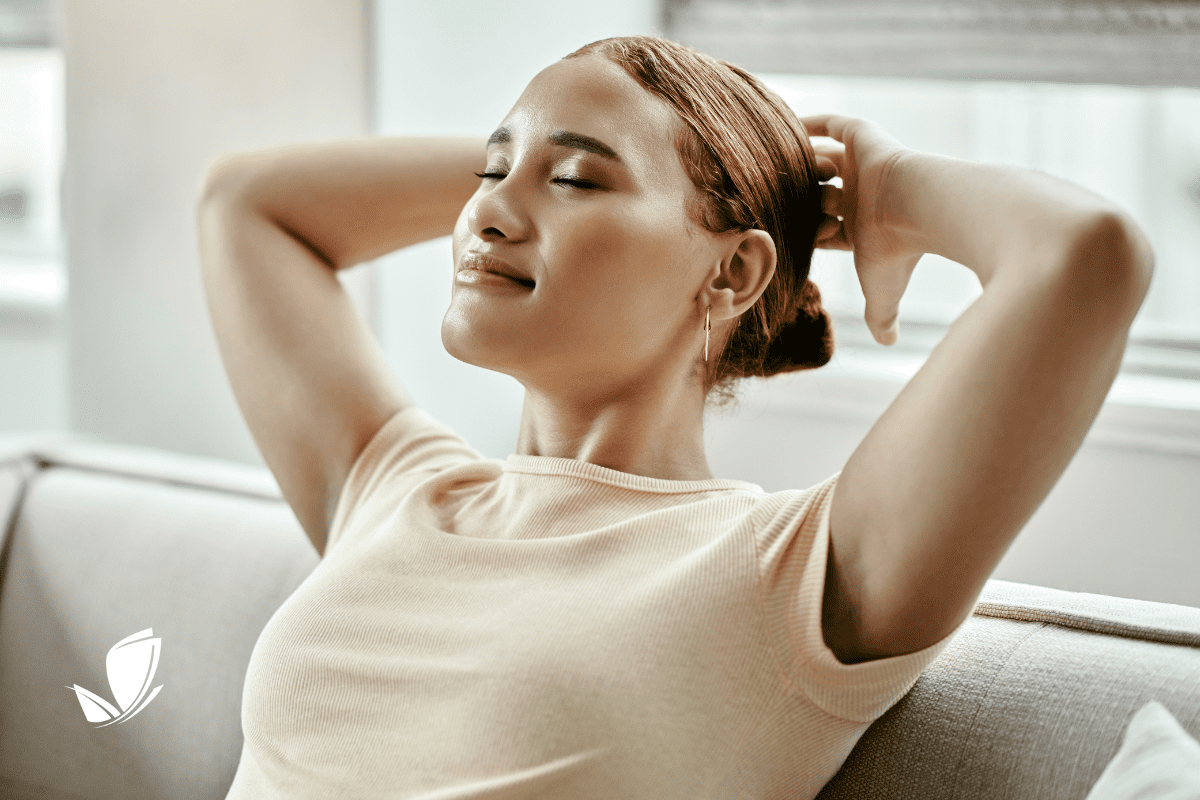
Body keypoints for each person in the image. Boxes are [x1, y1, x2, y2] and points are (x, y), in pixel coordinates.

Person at [198, 35, 1153, 800]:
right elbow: (244, 204)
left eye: (575, 182)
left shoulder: (782, 577)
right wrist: (568, 121)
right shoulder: (398, 491)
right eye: (491, 173)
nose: (485, 213)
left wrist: (883, 187)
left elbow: (1085, 254)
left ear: (733, 272)